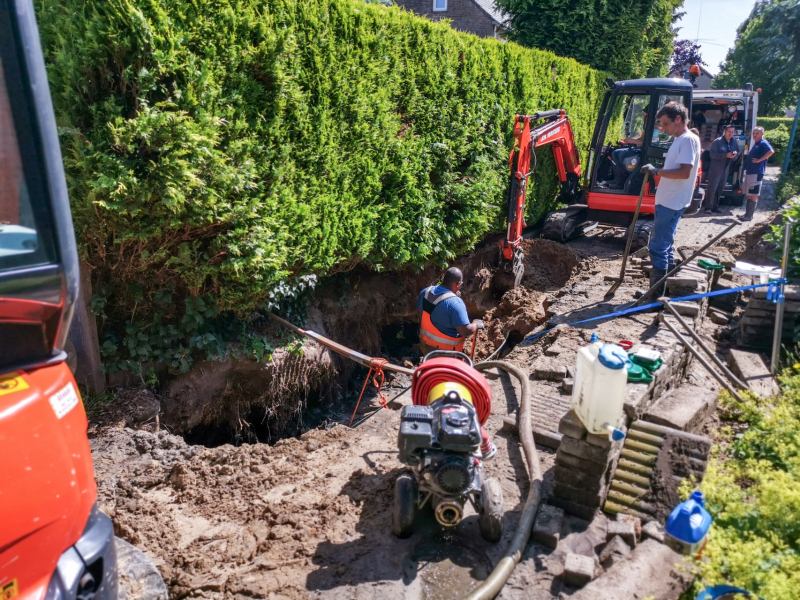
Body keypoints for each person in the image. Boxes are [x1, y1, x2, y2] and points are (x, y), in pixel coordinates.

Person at [640, 102, 701, 298]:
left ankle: (655, 296)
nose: (663, 128)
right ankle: (661, 290)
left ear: (678, 119)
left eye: (665, 123)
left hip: (673, 201)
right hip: (668, 199)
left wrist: (657, 171)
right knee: (664, 244)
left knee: (658, 247)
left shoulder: (687, 140)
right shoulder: (680, 139)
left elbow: (684, 172)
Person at [417, 267, 484, 356]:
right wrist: (476, 324)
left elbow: (420, 313)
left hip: (426, 347)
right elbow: (465, 331)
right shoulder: (455, 303)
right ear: (458, 284)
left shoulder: (426, 292)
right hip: (446, 353)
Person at [703, 124, 739, 213]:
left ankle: (715, 207)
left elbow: (737, 151)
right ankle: (708, 208)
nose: (731, 134)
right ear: (725, 132)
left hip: (725, 169)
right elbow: (712, 155)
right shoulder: (717, 142)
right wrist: (725, 155)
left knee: (720, 188)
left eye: (732, 132)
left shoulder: (733, 141)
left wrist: (734, 154)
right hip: (716, 168)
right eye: (729, 132)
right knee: (712, 188)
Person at [741, 126, 774, 221]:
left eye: (757, 133)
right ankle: (747, 214)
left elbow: (771, 151)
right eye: (753, 133)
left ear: (762, 134)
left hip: (757, 172)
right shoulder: (757, 143)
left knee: (754, 194)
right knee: (750, 194)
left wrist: (759, 160)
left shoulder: (763, 143)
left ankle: (749, 216)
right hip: (751, 172)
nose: (754, 135)